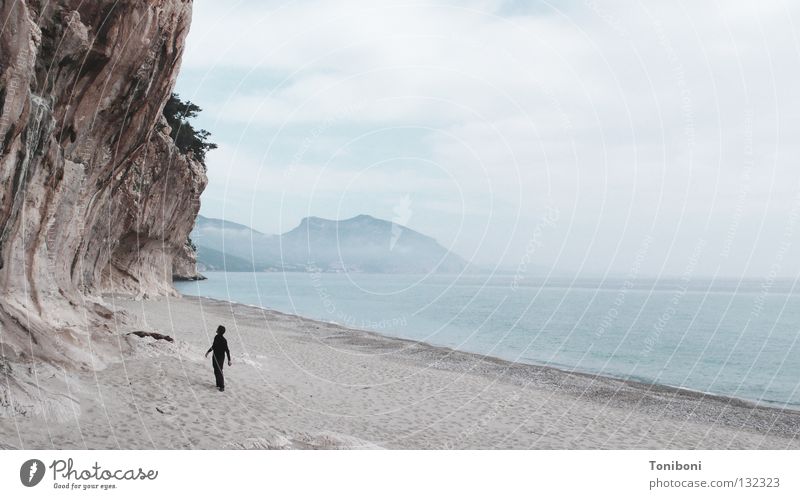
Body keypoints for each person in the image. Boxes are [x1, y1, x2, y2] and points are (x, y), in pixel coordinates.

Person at [205, 325, 231, 391]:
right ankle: (218, 384)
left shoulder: (224, 340)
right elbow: (213, 346)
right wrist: (208, 352)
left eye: (217, 329)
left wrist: (229, 360)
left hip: (220, 358)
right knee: (216, 370)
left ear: (219, 331)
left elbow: (227, 350)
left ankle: (222, 386)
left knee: (219, 370)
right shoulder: (216, 337)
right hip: (215, 356)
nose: (216, 329)